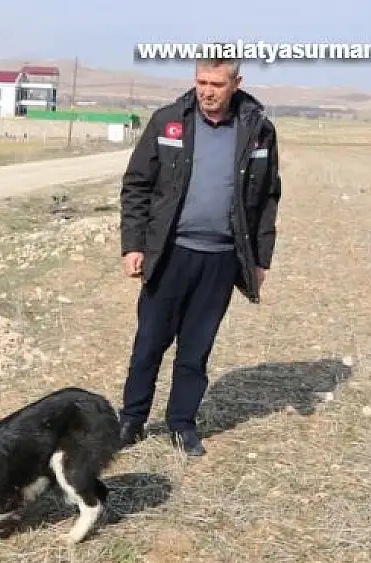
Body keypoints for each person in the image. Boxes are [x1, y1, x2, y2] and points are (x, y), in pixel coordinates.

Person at [116, 53, 282, 456]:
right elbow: (137, 185)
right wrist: (133, 244)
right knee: (150, 343)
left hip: (221, 258)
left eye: (217, 85)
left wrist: (260, 259)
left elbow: (266, 198)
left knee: (196, 348)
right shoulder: (169, 121)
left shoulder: (258, 130)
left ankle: (181, 423)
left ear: (236, 83)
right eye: (201, 82)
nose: (207, 92)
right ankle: (132, 419)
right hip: (170, 253)